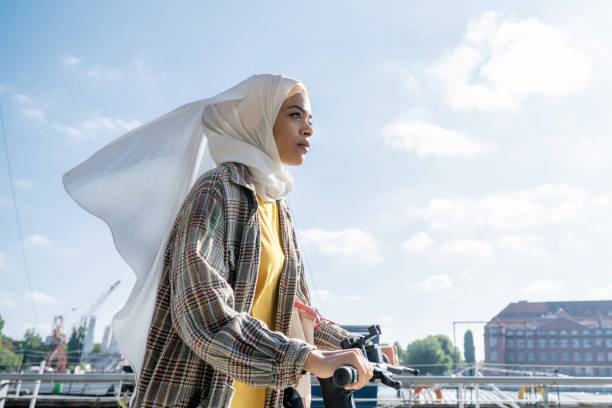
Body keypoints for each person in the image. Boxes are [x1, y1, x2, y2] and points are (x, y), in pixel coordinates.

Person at [63, 74, 372, 408]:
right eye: (295, 115)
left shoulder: (278, 207)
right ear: (260, 119)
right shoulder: (216, 192)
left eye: (310, 119)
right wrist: (306, 358)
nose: (309, 129)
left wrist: (356, 346)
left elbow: (297, 309)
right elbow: (203, 313)